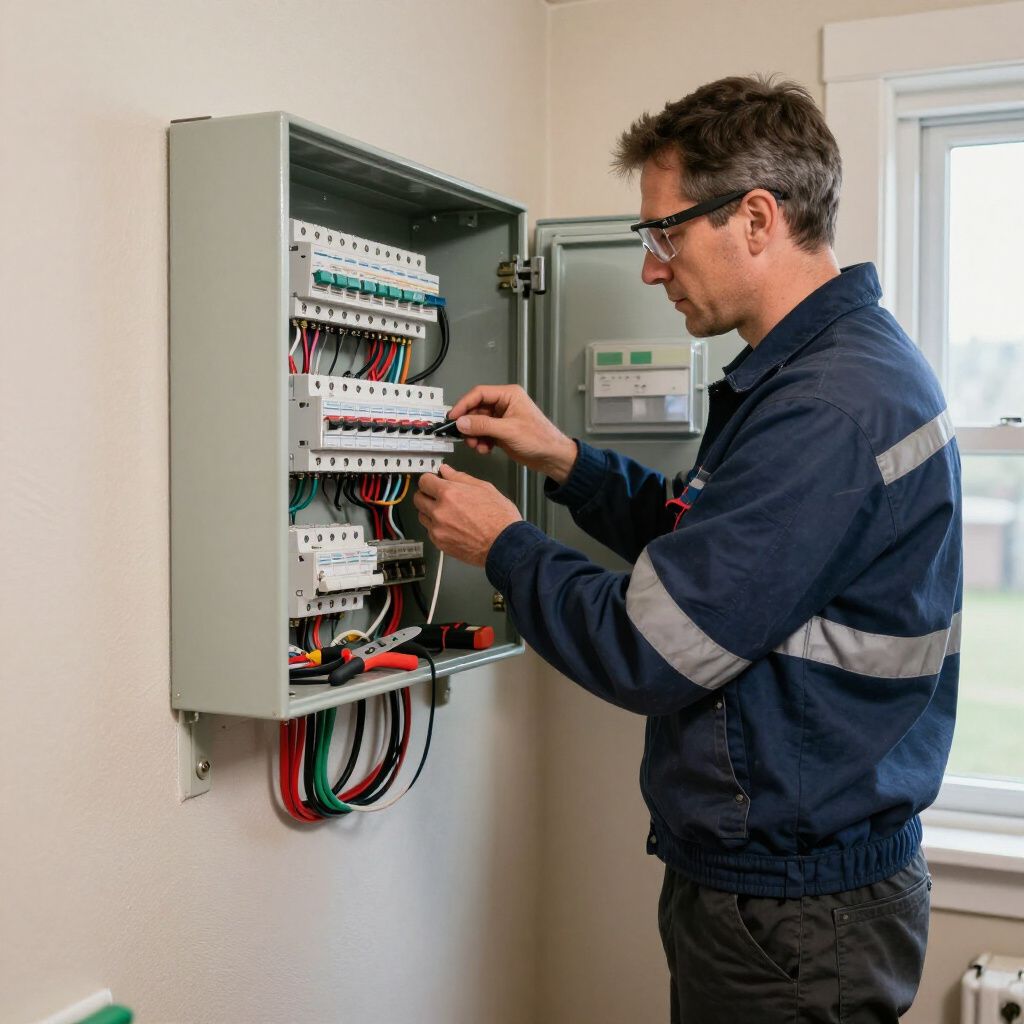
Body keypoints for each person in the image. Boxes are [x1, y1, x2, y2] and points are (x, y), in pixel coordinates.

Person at [413, 75, 961, 1023]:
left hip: (793, 910)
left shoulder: (824, 407)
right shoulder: (835, 371)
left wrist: (503, 545)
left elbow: (654, 648)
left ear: (756, 218)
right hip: (799, 888)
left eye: (664, 234)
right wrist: (568, 461)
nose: (651, 268)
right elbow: (717, 544)